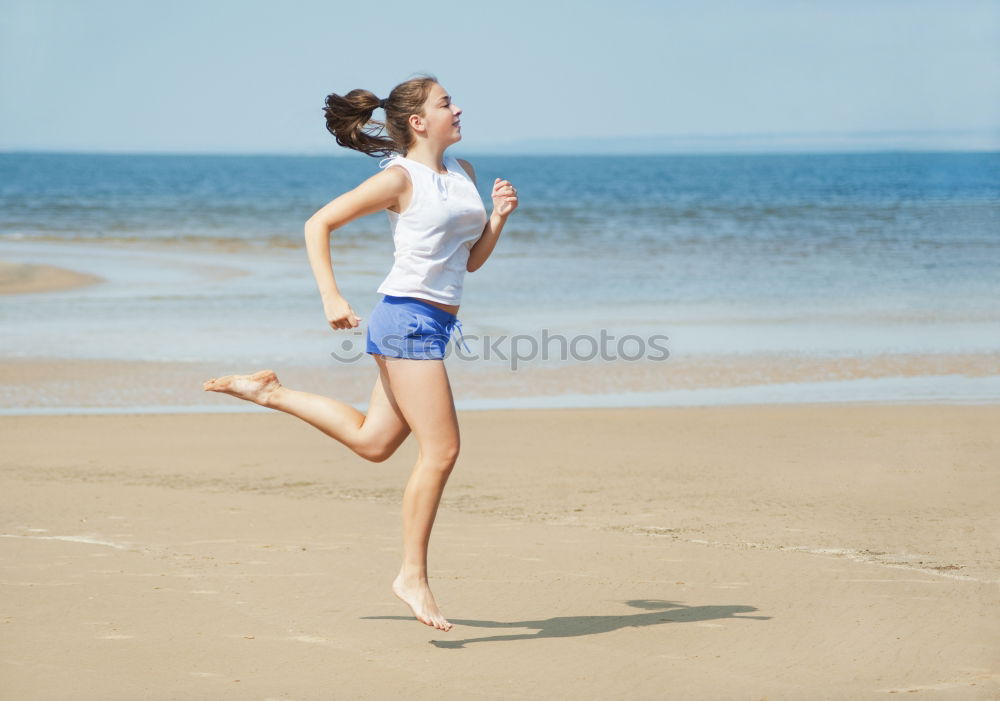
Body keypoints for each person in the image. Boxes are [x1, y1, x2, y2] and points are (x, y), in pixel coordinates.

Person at [202, 74, 519, 633]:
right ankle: (412, 576)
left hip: (434, 322)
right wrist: (332, 296)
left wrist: (495, 220)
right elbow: (318, 223)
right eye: (447, 103)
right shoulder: (401, 178)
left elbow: (467, 263)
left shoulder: (464, 175)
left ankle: (267, 391)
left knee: (374, 443)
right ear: (419, 121)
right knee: (442, 452)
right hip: (406, 321)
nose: (459, 107)